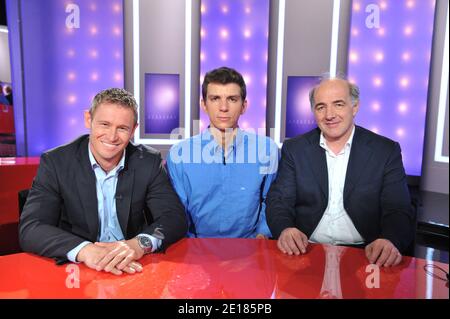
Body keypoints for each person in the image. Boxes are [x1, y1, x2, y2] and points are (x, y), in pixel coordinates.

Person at [19, 88, 187, 275]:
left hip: (132, 265)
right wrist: (85, 250)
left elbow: (174, 218)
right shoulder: (56, 162)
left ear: (133, 130)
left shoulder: (148, 162)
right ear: (88, 120)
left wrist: (140, 243)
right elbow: (32, 228)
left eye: (122, 128)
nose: (112, 136)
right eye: (104, 124)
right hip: (78, 269)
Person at [266, 75, 414, 267]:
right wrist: (285, 229)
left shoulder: (385, 151)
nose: (329, 114)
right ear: (313, 111)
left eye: (338, 104)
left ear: (355, 107)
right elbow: (279, 200)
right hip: (306, 252)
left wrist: (390, 240)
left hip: (366, 255)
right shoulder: (295, 149)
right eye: (321, 107)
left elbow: (398, 208)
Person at [166, 66, 278, 238]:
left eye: (232, 99)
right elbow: (177, 212)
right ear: (204, 104)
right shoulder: (179, 154)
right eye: (215, 98)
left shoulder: (267, 150)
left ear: (243, 106)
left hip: (251, 250)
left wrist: (262, 236)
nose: (223, 107)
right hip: (197, 253)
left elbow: (271, 201)